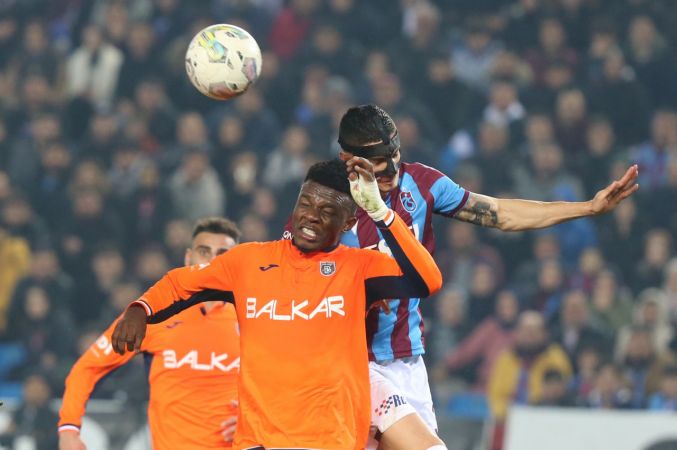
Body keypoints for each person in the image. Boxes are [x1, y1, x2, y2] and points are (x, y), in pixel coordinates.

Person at [332, 104, 638, 450]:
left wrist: (587, 207)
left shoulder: (423, 184)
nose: (391, 170)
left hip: (407, 364)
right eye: (378, 164)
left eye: (395, 156)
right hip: (352, 361)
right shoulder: (328, 201)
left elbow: (501, 213)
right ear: (347, 159)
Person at [111, 158, 443, 450]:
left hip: (331, 438)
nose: (311, 217)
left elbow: (427, 280)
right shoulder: (248, 261)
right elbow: (180, 283)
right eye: (305, 204)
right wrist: (141, 308)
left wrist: (381, 213)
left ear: (347, 223)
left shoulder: (360, 268)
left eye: (327, 211)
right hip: (262, 440)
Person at [58, 218, 242, 450]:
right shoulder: (153, 314)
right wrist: (69, 430)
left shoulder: (255, 317)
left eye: (223, 254)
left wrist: (253, 420)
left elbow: (284, 383)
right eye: (204, 252)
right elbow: (88, 368)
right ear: (188, 258)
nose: (212, 261)